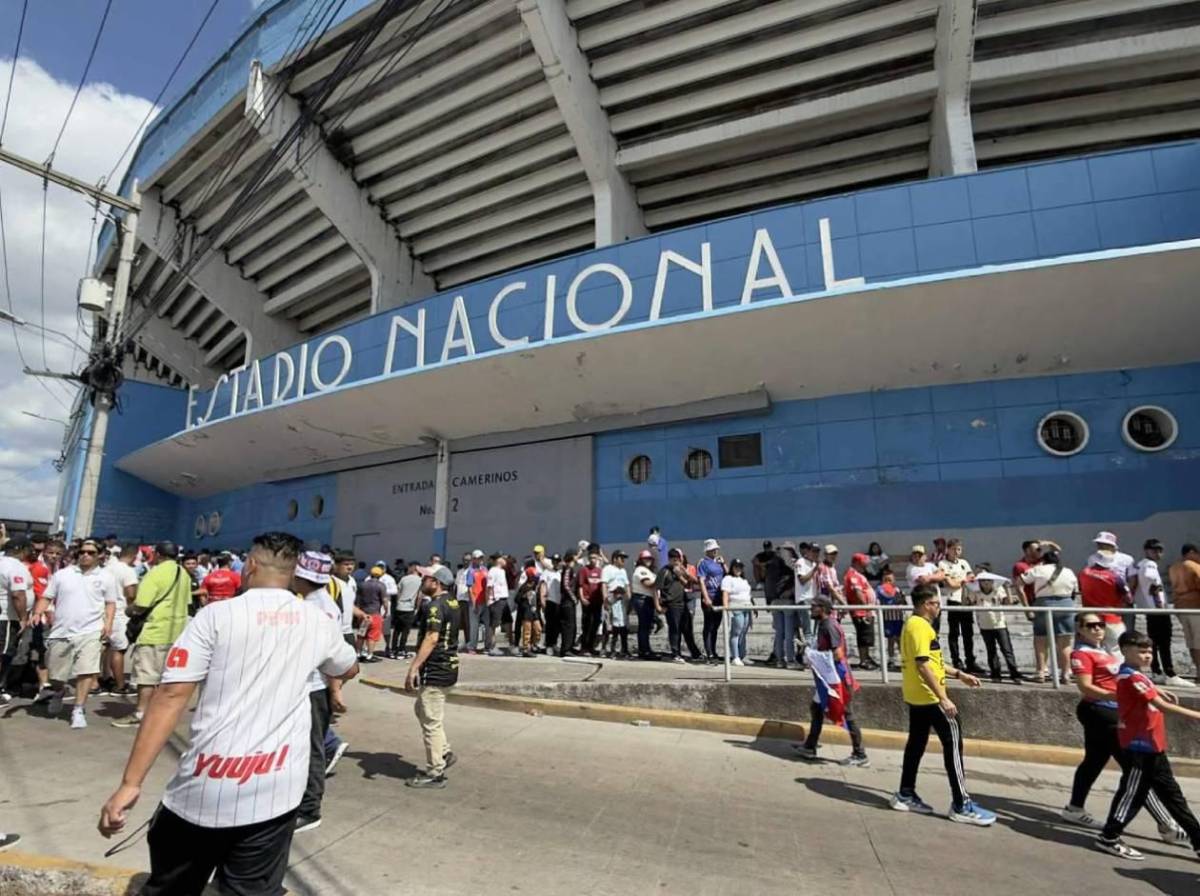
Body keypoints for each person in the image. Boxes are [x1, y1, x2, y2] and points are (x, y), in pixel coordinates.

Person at [98, 532, 358, 894]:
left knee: (172, 887)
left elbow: (171, 696)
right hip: (275, 792)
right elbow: (347, 667)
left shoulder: (213, 617)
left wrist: (130, 784)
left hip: (203, 790)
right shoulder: (316, 621)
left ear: (250, 565)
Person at [1061, 613, 1190, 845]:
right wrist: (1126, 696)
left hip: (1110, 710)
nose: (1097, 629)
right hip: (1102, 711)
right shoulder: (1081, 653)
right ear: (1079, 629)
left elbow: (1128, 677)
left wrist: (1154, 690)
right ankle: (1166, 824)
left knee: (1094, 761)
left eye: (1101, 624)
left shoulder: (1106, 652)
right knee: (1136, 770)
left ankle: (1074, 808)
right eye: (1090, 626)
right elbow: (1086, 687)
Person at [890, 584, 995, 825]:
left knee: (916, 744)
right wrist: (943, 698)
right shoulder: (920, 627)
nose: (939, 607)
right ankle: (961, 804)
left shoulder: (916, 626)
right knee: (953, 746)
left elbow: (933, 661)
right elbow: (923, 665)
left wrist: (959, 674)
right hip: (930, 697)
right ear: (927, 604)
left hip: (919, 697)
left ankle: (906, 793)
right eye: (936, 603)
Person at [1094, 630, 1200, 860]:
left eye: (1149, 651)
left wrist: (1157, 687)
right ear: (1124, 651)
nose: (1147, 655)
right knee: (1131, 794)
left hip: (1153, 745)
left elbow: (1146, 691)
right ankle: (1109, 837)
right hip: (1139, 746)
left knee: (1173, 796)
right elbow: (1159, 704)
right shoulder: (1131, 677)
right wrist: (1196, 715)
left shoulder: (1137, 675)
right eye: (1140, 651)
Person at [292, 550, 351, 832]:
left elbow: (333, 656)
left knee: (312, 750)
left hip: (313, 686)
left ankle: (310, 808)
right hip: (315, 685)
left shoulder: (313, 609)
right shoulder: (323, 603)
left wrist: (334, 689)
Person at [31, 538, 119, 729]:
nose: (85, 555)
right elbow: (47, 596)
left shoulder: (107, 577)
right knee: (56, 674)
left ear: (100, 555)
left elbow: (110, 603)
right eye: (82, 552)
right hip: (61, 630)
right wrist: (38, 612)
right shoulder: (62, 575)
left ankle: (78, 708)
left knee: (86, 671)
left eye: (91, 552)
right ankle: (59, 691)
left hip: (91, 630)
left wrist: (108, 623)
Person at [116, 541, 192, 729]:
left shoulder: (155, 573)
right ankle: (160, 711)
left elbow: (141, 604)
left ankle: (141, 713)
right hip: (177, 632)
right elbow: (188, 601)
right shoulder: (184, 574)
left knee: (146, 676)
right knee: (166, 676)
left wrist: (128, 611)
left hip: (155, 630)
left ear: (157, 555)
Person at [794, 594, 868, 767]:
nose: (811, 609)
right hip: (829, 678)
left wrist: (814, 656)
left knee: (848, 715)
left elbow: (837, 654)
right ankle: (810, 747)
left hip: (839, 679)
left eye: (814, 607)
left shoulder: (829, 626)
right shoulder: (823, 624)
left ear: (823, 609)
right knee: (816, 708)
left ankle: (860, 754)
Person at [405, 566, 460, 788]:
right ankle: (444, 752)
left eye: (425, 578)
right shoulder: (453, 602)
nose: (422, 581)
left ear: (436, 582)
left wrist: (414, 668)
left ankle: (435, 771)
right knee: (422, 709)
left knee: (431, 721)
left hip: (436, 669)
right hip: (449, 667)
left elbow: (431, 637)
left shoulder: (435, 606)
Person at [1132, 539, 1191, 687]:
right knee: (1164, 642)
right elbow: (1154, 585)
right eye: (1154, 550)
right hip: (1157, 609)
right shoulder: (1149, 565)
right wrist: (1160, 605)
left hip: (1149, 609)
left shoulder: (1140, 564)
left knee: (1155, 642)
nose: (1158, 553)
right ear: (1146, 550)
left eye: (1160, 550)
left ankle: (1157, 672)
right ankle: (1170, 673)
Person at [1020, 545, 1078, 684]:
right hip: (1066, 604)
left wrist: (1026, 606)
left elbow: (1019, 583)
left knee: (1040, 639)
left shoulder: (1038, 569)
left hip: (1043, 603)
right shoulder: (1069, 571)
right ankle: (1065, 674)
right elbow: (1075, 591)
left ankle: (1041, 671)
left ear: (1043, 560)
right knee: (1065, 641)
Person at [968, 568, 1022, 684]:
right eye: (983, 580)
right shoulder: (976, 593)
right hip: (985, 626)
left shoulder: (998, 590)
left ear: (993, 581)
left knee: (1007, 650)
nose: (986, 583)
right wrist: (964, 587)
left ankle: (1014, 674)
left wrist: (1008, 588)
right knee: (991, 651)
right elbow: (966, 602)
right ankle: (996, 673)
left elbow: (1008, 602)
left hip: (999, 625)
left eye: (988, 580)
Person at [1079, 542, 1132, 653]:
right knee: (1115, 650)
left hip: (1090, 618)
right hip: (1111, 618)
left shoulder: (1083, 573)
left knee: (1091, 650)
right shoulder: (1114, 577)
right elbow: (1129, 598)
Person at [938, 539, 981, 673]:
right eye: (954, 549)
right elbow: (950, 584)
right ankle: (956, 661)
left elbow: (972, 577)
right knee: (954, 633)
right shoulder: (943, 564)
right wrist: (964, 580)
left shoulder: (964, 563)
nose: (957, 552)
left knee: (968, 633)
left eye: (959, 549)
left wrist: (964, 580)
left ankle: (970, 661)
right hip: (953, 600)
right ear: (948, 549)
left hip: (966, 601)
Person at [102, 543, 139, 697]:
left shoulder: (107, 568)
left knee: (107, 647)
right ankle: (120, 684)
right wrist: (134, 608)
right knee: (119, 649)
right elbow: (131, 594)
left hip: (104, 610)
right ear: (134, 556)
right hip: (120, 612)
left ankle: (105, 676)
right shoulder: (128, 571)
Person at [0, 537, 32, 703]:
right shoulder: (14, 566)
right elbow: (18, 594)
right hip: (6, 617)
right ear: (22, 549)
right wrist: (23, 618)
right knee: (2, 654)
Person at [1167, 543, 1200, 686]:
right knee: (1198, 642)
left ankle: (1198, 671)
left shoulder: (1173, 568)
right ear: (1191, 552)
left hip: (1180, 607)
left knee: (1191, 643)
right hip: (1195, 607)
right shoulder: (1194, 566)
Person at [656, 549, 696, 664]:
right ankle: (675, 654)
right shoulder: (664, 571)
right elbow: (656, 589)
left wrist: (682, 574)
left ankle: (694, 652)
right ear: (669, 559)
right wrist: (658, 605)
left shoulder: (680, 570)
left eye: (677, 559)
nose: (676, 561)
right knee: (675, 629)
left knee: (687, 629)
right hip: (671, 603)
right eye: (673, 559)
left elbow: (690, 583)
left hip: (682, 603)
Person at [843, 553, 877, 670]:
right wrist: (866, 607)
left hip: (865, 610)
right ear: (857, 563)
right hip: (860, 611)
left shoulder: (858, 574)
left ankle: (867, 657)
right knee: (863, 635)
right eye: (863, 563)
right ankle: (863, 660)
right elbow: (858, 593)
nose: (865, 566)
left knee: (867, 635)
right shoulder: (852, 575)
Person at [697, 540, 726, 663]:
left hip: (719, 597)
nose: (715, 551)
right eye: (713, 549)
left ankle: (714, 651)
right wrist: (706, 597)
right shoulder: (703, 563)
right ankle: (709, 653)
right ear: (707, 550)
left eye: (716, 549)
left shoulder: (718, 562)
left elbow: (728, 574)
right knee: (708, 625)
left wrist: (724, 564)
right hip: (710, 596)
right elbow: (702, 581)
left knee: (716, 625)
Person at [905, 545, 945, 631]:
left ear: (925, 556)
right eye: (915, 555)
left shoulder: (930, 565)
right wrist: (934, 578)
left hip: (935, 604)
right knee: (923, 631)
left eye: (920, 555)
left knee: (935, 632)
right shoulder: (911, 569)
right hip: (922, 606)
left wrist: (930, 577)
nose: (917, 558)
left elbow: (942, 575)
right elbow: (923, 581)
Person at [721, 559, 753, 665]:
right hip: (736, 607)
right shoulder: (728, 578)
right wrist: (726, 609)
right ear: (732, 568)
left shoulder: (743, 580)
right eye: (736, 567)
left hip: (747, 606)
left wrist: (754, 607)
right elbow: (725, 593)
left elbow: (748, 595)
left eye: (740, 567)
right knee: (736, 632)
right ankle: (735, 656)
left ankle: (742, 655)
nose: (738, 569)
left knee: (743, 632)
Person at [388, 562, 421, 659]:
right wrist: (417, 608)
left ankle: (393, 650)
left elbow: (398, 592)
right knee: (405, 631)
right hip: (409, 608)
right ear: (417, 569)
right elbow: (419, 596)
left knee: (397, 630)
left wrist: (398, 603)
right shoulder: (420, 580)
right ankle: (402, 650)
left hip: (400, 607)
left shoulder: (403, 579)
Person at [600, 550, 630, 659]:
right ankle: (604, 649)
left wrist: (629, 599)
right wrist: (605, 599)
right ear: (615, 558)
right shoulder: (608, 569)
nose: (623, 560)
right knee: (609, 627)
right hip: (611, 598)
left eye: (624, 558)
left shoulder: (623, 571)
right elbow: (604, 584)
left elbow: (627, 585)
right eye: (621, 558)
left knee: (622, 627)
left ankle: (623, 650)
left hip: (622, 600)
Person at [355, 566, 387, 662]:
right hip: (375, 613)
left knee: (361, 635)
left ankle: (358, 653)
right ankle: (369, 655)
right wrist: (386, 611)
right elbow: (384, 600)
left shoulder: (362, 585)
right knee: (372, 636)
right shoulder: (381, 585)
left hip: (363, 613)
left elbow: (357, 600)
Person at [876, 568, 906, 670]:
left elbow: (903, 602)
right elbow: (884, 597)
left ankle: (904, 660)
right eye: (886, 579)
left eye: (890, 579)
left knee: (900, 640)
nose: (888, 582)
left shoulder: (898, 589)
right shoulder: (880, 589)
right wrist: (893, 596)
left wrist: (901, 598)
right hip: (887, 618)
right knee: (890, 640)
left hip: (898, 618)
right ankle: (891, 660)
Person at [577, 549, 605, 656]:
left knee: (596, 624)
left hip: (597, 602)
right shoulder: (584, 570)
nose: (593, 560)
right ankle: (584, 648)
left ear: (598, 559)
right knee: (587, 625)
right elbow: (580, 585)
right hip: (587, 601)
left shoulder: (600, 571)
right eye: (591, 558)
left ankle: (591, 646)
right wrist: (582, 598)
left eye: (595, 558)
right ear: (588, 559)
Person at [630, 550, 657, 659]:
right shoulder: (641, 570)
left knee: (646, 626)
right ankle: (644, 651)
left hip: (648, 599)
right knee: (644, 626)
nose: (648, 560)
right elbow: (647, 584)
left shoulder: (649, 571)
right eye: (646, 559)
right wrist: (660, 580)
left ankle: (645, 649)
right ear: (641, 560)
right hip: (642, 599)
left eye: (649, 558)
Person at [515, 565, 545, 657]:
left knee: (538, 629)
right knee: (527, 631)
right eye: (535, 576)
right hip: (526, 612)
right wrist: (524, 597)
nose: (536, 578)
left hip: (534, 612)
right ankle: (526, 649)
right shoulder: (524, 587)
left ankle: (533, 645)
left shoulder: (536, 586)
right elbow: (516, 599)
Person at [485, 555, 510, 656]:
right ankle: (492, 647)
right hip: (496, 600)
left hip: (504, 599)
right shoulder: (493, 570)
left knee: (508, 621)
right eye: (503, 558)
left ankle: (510, 644)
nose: (505, 560)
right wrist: (490, 600)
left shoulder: (502, 571)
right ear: (498, 560)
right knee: (494, 625)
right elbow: (489, 586)